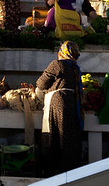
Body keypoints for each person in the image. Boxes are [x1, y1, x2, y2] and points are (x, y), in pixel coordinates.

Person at [36, 41, 84, 176]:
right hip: (70, 103)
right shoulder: (75, 67)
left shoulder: (57, 64)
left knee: (54, 134)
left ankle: (52, 168)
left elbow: (41, 83)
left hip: (58, 103)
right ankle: (67, 168)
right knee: (67, 136)